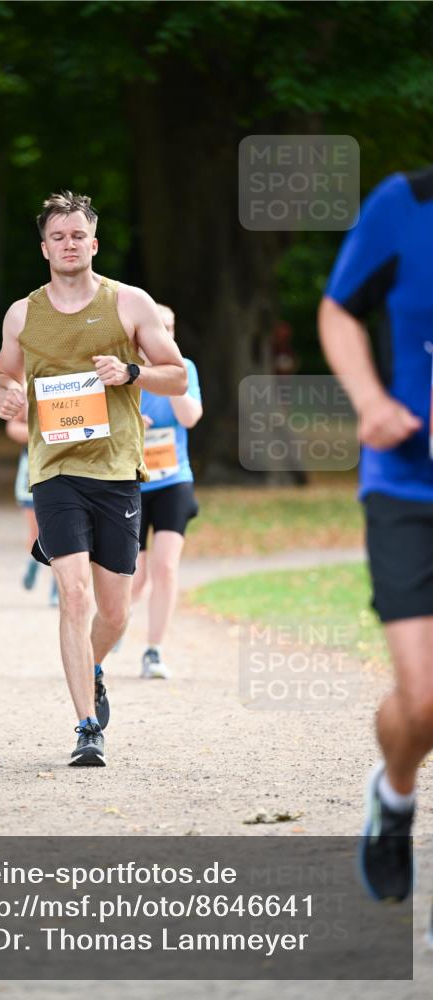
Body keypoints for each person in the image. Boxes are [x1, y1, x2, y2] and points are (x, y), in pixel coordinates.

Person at [0, 190, 187, 766]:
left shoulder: (129, 303)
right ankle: (85, 729)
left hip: (118, 470)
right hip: (54, 469)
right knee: (72, 595)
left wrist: (130, 371)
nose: (69, 244)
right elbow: (3, 375)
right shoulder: (23, 312)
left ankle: (95, 668)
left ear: (93, 243)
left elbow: (176, 376)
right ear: (44, 247)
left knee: (115, 611)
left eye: (78, 235)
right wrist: (4, 396)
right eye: (58, 236)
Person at [318, 166, 433, 907]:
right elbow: (337, 310)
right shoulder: (406, 203)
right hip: (406, 487)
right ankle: (392, 796)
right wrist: (368, 399)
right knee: (423, 703)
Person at [130, 304, 203, 678]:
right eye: (159, 327)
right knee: (134, 577)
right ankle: (107, 636)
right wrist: (130, 423)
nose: (166, 334)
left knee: (166, 567)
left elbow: (190, 418)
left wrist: (171, 380)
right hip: (133, 482)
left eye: (171, 327)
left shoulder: (185, 368)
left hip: (175, 479)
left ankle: (154, 651)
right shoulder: (125, 369)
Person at [5, 404, 58, 606]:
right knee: (36, 531)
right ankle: (34, 561)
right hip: (33, 463)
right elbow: (12, 427)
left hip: (63, 463)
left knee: (61, 530)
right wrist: (40, 433)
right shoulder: (28, 385)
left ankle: (58, 585)